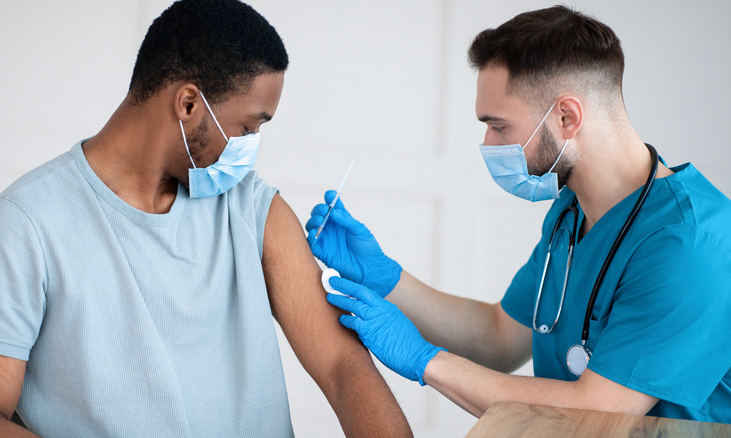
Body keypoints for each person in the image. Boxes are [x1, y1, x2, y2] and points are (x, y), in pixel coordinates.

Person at [0, 1, 413, 436]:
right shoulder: (20, 228)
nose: (251, 146)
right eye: (249, 127)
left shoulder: (252, 209)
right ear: (189, 104)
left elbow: (341, 367)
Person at [306, 5, 731, 423]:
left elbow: (601, 407)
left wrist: (424, 361)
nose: (489, 145)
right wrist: (386, 278)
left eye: (499, 126)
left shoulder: (691, 243)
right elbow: (499, 337)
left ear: (566, 117)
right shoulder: (571, 211)